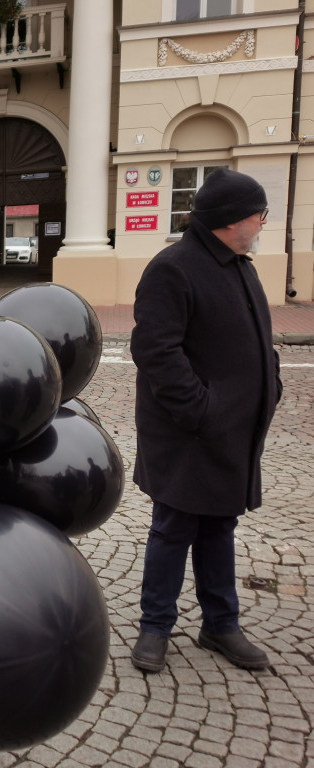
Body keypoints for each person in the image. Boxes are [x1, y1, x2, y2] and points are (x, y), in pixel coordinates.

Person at [130, 168, 282, 673]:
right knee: (173, 528)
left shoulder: (242, 266)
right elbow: (155, 352)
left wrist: (270, 385)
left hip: (231, 432)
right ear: (231, 219)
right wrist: (202, 410)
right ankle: (155, 627)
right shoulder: (173, 268)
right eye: (259, 213)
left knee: (219, 525)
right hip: (187, 433)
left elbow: (258, 340)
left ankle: (220, 624)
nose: (263, 222)